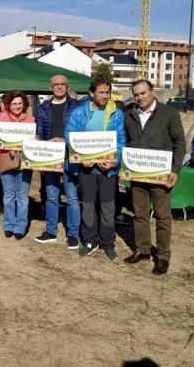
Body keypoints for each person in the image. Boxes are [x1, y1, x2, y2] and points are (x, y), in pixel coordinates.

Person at [123, 80, 185, 275]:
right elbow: (125, 141)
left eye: (143, 93)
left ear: (152, 92)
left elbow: (180, 144)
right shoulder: (129, 115)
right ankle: (143, 250)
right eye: (136, 95)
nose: (140, 98)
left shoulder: (169, 114)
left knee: (162, 216)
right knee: (139, 214)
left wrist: (175, 169)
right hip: (137, 175)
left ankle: (163, 256)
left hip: (161, 175)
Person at [65, 80, 126, 260]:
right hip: (87, 169)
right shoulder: (80, 112)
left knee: (108, 207)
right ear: (92, 93)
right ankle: (90, 240)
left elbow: (121, 141)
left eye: (107, 92)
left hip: (108, 170)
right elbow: (70, 136)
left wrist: (114, 163)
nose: (105, 96)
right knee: (89, 206)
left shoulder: (117, 113)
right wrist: (81, 159)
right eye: (101, 92)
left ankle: (107, 242)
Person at [34, 74, 82, 249]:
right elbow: (39, 133)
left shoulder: (76, 106)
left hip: (70, 157)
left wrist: (65, 141)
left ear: (67, 87)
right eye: (56, 84)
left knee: (72, 197)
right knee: (51, 196)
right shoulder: (42, 108)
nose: (60, 87)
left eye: (63, 84)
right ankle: (51, 232)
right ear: (50, 87)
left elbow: (80, 133)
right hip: (50, 157)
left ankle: (73, 234)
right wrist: (38, 146)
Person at [0, 91, 34, 240]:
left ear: (24, 104)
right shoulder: (2, 120)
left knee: (23, 195)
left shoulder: (31, 120)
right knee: (8, 195)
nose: (17, 106)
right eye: (14, 104)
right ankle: (9, 225)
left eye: (19, 103)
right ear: (8, 105)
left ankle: (20, 226)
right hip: (6, 159)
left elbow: (33, 141)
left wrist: (34, 138)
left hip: (25, 161)